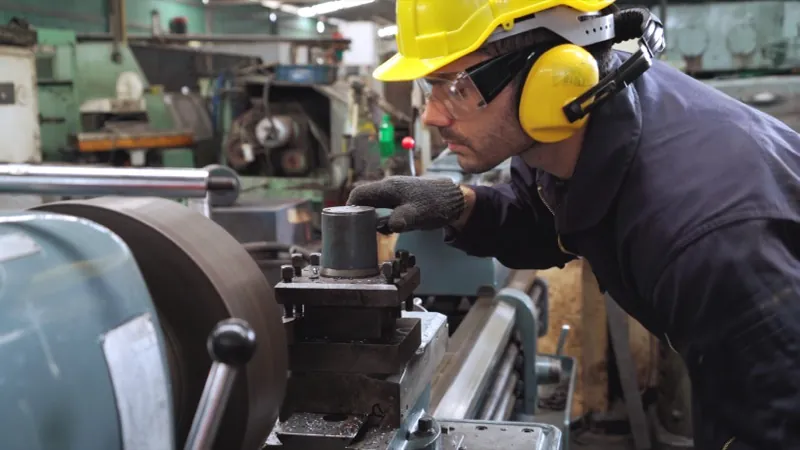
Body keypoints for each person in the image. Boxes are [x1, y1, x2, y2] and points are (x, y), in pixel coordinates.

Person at [347, 1, 800, 449]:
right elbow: (550, 221)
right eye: (432, 88)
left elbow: (773, 424)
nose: (432, 116)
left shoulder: (708, 241)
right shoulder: (570, 125)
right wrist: (460, 204)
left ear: (554, 77)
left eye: (456, 88)